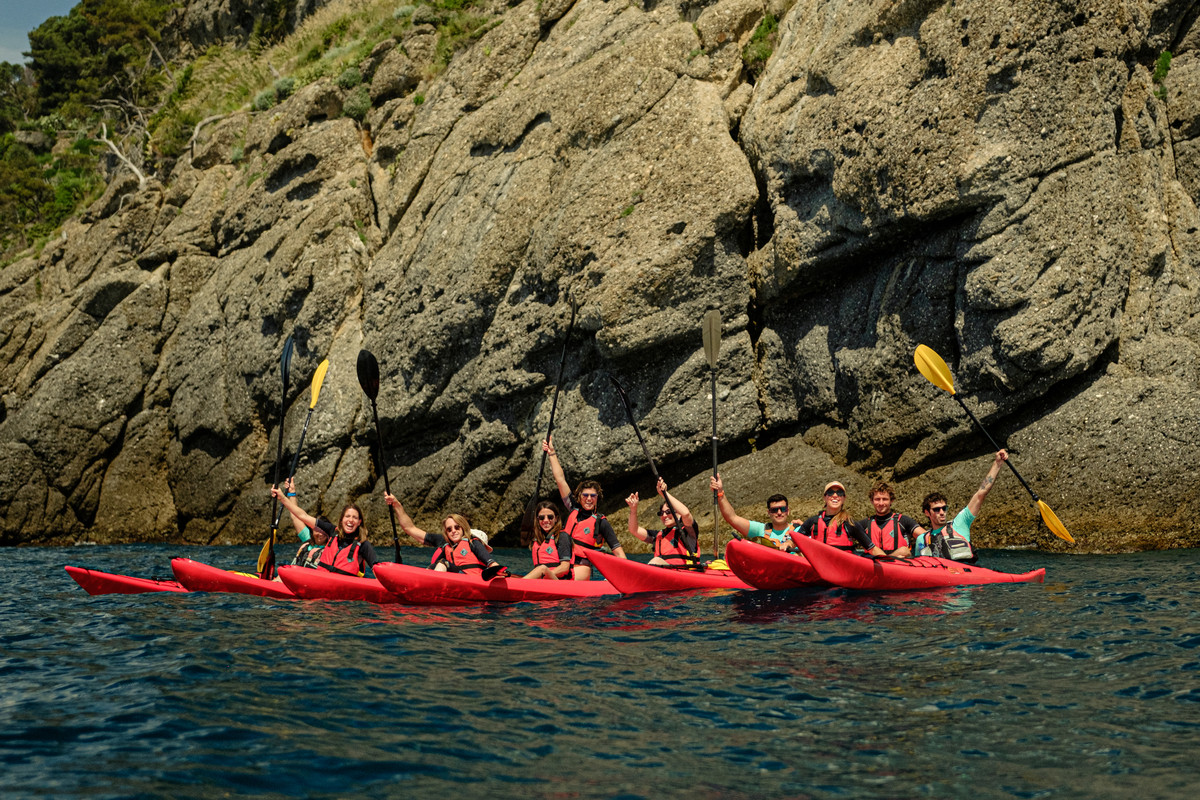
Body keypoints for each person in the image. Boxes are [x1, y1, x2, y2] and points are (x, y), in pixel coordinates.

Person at [544, 437, 627, 579]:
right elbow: (560, 479)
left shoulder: (601, 522)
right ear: (579, 497)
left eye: (593, 496)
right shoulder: (573, 508)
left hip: (581, 568)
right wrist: (551, 453)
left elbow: (619, 552)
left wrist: (624, 576)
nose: (589, 499)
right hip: (561, 564)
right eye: (585, 495)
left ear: (597, 498)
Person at [914, 450, 1009, 563]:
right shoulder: (922, 539)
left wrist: (997, 463)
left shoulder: (960, 523)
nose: (942, 512)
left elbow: (981, 494)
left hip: (966, 570)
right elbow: (919, 565)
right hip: (939, 572)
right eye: (936, 509)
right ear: (927, 512)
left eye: (944, 508)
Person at [383, 492, 507, 577]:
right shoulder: (445, 543)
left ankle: (429, 584)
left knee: (443, 562)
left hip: (472, 579)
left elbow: (490, 562)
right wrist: (396, 504)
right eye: (449, 529)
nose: (453, 531)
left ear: (464, 529)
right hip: (454, 578)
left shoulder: (473, 543)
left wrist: (497, 570)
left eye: (457, 527)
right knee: (438, 563)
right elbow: (409, 528)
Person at [271, 483, 381, 576]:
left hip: (344, 588)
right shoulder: (332, 531)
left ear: (359, 522)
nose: (350, 520)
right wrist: (282, 498)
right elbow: (303, 516)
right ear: (341, 520)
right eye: (347, 516)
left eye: (355, 518)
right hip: (321, 581)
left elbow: (377, 570)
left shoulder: (363, 545)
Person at [709, 474, 800, 552]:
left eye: (783, 509)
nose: (779, 513)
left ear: (788, 511)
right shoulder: (760, 529)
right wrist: (720, 493)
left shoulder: (800, 529)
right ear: (768, 512)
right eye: (774, 510)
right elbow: (732, 518)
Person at [794, 481, 886, 556]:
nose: (835, 495)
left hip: (840, 569)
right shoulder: (813, 521)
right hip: (818, 567)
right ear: (824, 497)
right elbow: (794, 540)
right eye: (830, 493)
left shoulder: (850, 524)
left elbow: (872, 549)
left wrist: (888, 562)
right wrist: (788, 544)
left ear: (844, 498)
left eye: (840, 493)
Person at [626, 477, 700, 567]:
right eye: (661, 513)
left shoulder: (688, 531)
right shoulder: (658, 535)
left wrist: (664, 494)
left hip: (684, 572)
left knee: (656, 561)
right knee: (656, 561)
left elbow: (686, 514)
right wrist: (633, 509)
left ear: (678, 514)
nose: (664, 515)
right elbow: (634, 530)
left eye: (668, 512)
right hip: (663, 572)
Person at [856, 480, 927, 558]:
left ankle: (887, 559)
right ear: (872, 501)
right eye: (877, 499)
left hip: (898, 564)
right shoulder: (864, 524)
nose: (881, 503)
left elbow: (926, 537)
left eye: (885, 499)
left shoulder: (903, 521)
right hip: (873, 563)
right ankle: (887, 559)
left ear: (891, 501)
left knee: (904, 551)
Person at [523, 501, 572, 580]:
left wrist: (544, 575)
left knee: (542, 568)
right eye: (542, 518)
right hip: (543, 580)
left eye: (550, 517)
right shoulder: (537, 539)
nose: (545, 520)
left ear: (556, 519)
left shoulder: (562, 537)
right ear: (538, 520)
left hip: (557, 582)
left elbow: (565, 567)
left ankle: (520, 583)